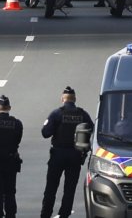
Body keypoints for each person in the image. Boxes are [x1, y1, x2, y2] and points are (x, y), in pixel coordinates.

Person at [40, 86, 93, 218]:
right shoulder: (82, 114)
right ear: (75, 99)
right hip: (75, 155)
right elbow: (91, 128)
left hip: (58, 154)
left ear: (62, 99)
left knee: (51, 187)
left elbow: (45, 133)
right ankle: (64, 214)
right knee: (70, 189)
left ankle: (46, 214)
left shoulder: (57, 113)